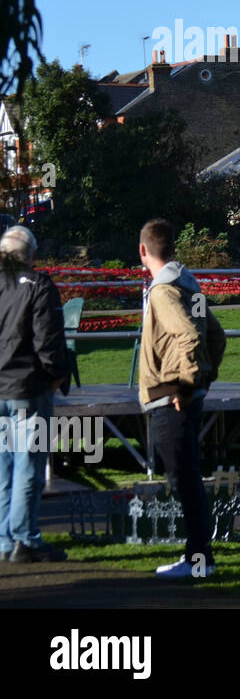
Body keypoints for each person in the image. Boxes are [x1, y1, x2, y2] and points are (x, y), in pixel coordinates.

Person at [138, 219, 226, 580]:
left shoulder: (161, 292)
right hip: (189, 395)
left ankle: (198, 561)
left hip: (171, 398)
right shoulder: (190, 286)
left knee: (184, 481)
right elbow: (214, 335)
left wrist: (185, 386)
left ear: (143, 251)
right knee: (188, 478)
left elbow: (189, 336)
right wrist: (205, 376)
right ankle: (199, 557)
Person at [0, 225, 69, 563]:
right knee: (28, 465)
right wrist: (57, 375)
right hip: (28, 387)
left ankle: (4, 538)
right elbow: (48, 342)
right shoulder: (39, 286)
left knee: (3, 469)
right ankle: (25, 538)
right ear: (33, 256)